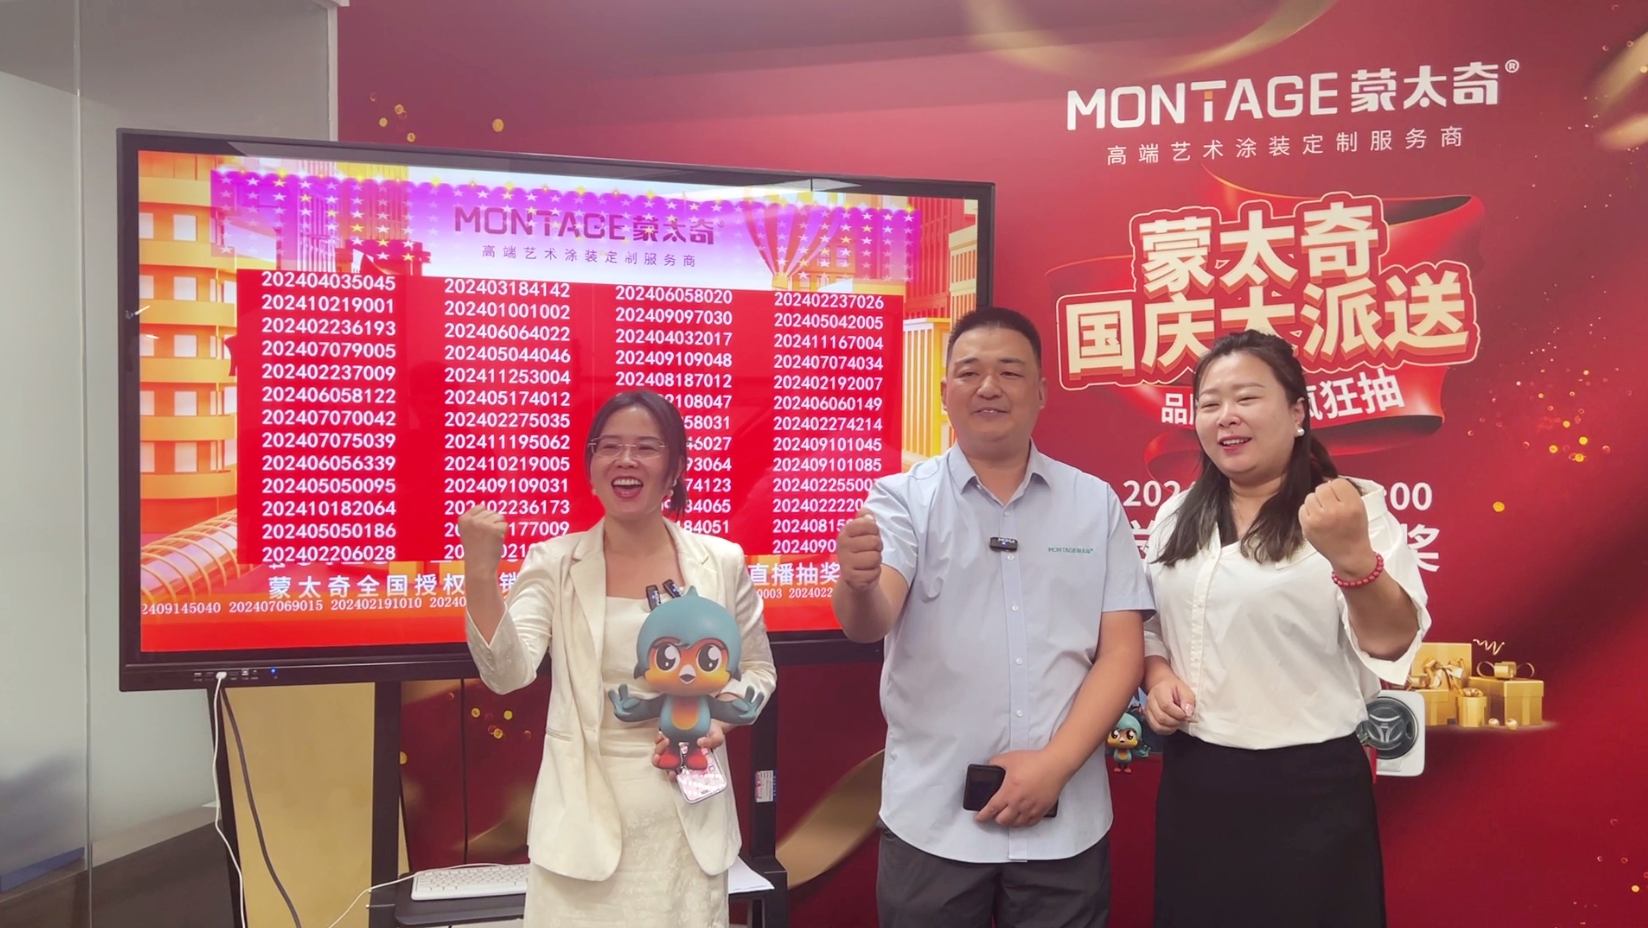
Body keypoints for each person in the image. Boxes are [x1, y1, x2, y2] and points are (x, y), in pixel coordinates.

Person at [831, 306, 1151, 928]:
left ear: (1041, 392)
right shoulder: (902, 499)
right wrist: (857, 583)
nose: (988, 387)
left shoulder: (1094, 503)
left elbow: (1121, 652)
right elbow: (868, 621)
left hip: (1066, 822)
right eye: (970, 372)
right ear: (944, 392)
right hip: (932, 822)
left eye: (1009, 371)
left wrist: (1054, 766)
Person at [1139, 330, 1431, 928]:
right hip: (1198, 779)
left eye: (1247, 398)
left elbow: (1391, 641)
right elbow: (1150, 624)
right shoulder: (1176, 515)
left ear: (1297, 412)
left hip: (1311, 787)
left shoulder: (1350, 509)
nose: (1227, 416)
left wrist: (1354, 558)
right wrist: (1158, 672)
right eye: (1210, 403)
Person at [461, 389, 776, 928]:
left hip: (686, 825)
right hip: (581, 829)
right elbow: (506, 674)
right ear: (591, 467)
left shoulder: (720, 562)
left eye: (646, 448)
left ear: (675, 469)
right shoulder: (555, 562)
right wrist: (480, 574)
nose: (625, 460)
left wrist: (720, 719)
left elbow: (758, 670)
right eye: (609, 447)